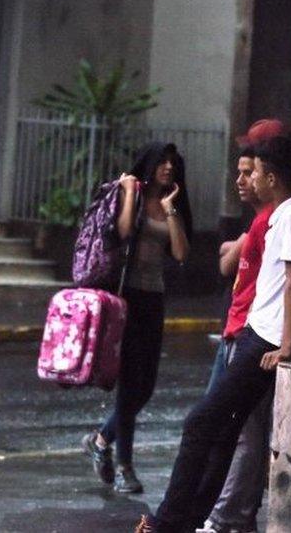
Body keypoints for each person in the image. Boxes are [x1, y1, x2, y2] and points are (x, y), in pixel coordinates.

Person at [135, 136, 291, 532]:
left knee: (201, 424)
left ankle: (169, 522)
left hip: (266, 340)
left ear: (272, 176)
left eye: (255, 172)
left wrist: (285, 345)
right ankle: (186, 520)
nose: (249, 179)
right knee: (221, 431)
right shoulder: (282, 212)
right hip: (256, 332)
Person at [82, 142, 193, 494]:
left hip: (153, 298)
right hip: (125, 297)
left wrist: (170, 209)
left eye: (173, 163)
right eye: (162, 162)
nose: (168, 168)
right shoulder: (132, 192)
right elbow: (124, 231)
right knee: (131, 383)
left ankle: (101, 439)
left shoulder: (170, 203)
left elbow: (179, 252)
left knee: (145, 386)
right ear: (150, 164)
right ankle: (125, 467)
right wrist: (130, 192)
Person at [199, 118, 288, 533]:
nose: (242, 178)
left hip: (252, 335)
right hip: (240, 331)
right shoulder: (260, 220)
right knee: (229, 428)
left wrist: (233, 247)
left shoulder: (278, 218)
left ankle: (229, 514)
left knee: (238, 429)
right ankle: (229, 512)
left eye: (249, 170)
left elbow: (229, 265)